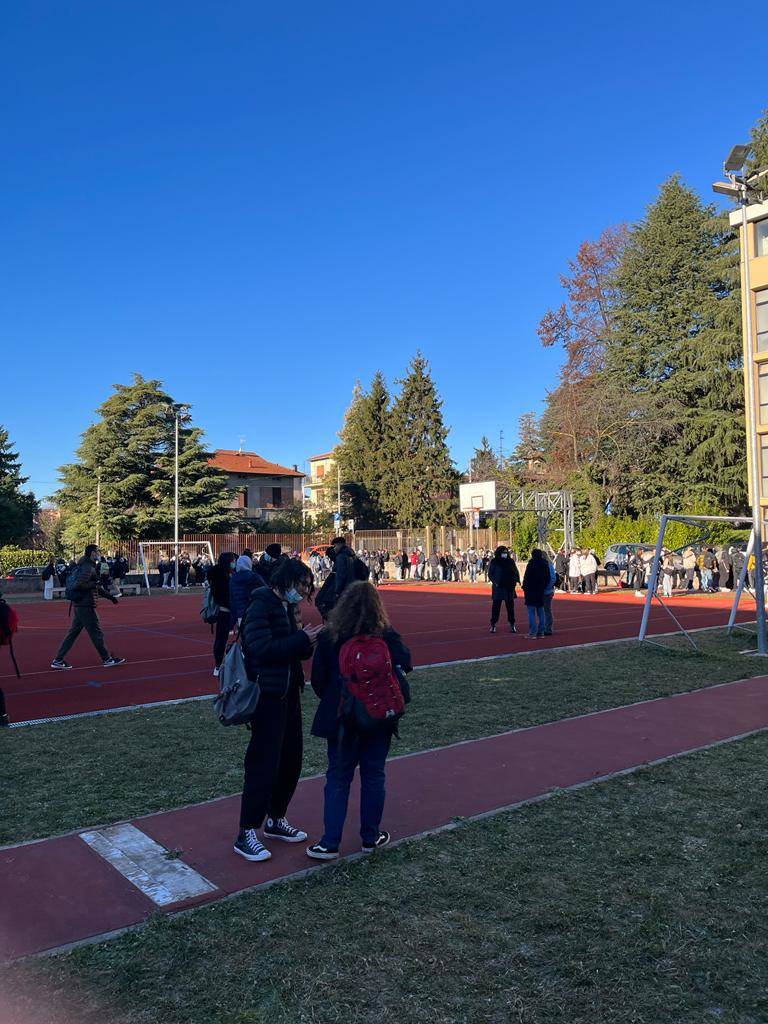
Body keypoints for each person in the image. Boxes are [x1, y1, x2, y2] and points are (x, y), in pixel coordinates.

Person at [306, 581, 412, 860]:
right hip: (379, 715)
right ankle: (370, 835)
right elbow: (406, 662)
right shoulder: (385, 634)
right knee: (374, 775)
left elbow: (317, 680)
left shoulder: (330, 636)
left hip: (343, 717)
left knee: (338, 778)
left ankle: (330, 842)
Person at [234, 558, 322, 862]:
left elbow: (287, 648)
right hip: (267, 695)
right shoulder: (262, 604)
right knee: (263, 763)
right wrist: (299, 639)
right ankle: (246, 832)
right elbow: (261, 649)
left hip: (288, 692)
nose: (305, 591)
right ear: (286, 580)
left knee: (291, 759)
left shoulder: (286, 607)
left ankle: (275, 818)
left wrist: (306, 642)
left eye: (308, 586)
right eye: (301, 585)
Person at [51, 544, 125, 669]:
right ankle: (107, 658)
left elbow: (94, 586)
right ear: (92, 553)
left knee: (73, 633)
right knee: (96, 633)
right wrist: (95, 583)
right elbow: (80, 585)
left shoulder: (86, 566)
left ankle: (58, 660)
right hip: (86, 604)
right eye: (97, 551)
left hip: (80, 604)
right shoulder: (87, 567)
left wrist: (109, 596)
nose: (98, 553)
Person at [208, 551, 237, 676]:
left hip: (224, 610)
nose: (234, 563)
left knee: (221, 639)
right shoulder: (224, 577)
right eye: (233, 561)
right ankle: (220, 664)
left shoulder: (220, 575)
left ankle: (219, 664)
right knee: (222, 639)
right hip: (226, 610)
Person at [487, 545, 520, 633]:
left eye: (506, 552)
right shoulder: (494, 561)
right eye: (503, 553)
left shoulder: (510, 561)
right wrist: (495, 582)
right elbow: (490, 574)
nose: (504, 554)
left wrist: (516, 580)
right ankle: (493, 624)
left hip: (509, 588)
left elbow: (516, 572)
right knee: (496, 607)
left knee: (510, 608)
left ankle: (512, 624)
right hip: (498, 588)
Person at [229, 554, 267, 628]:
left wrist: (232, 620)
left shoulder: (232, 579)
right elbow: (266, 590)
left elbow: (232, 600)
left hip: (240, 615)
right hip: (255, 612)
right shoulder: (255, 576)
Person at [522, 548, 550, 639]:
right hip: (540, 590)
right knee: (541, 612)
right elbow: (548, 577)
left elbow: (526, 578)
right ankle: (541, 632)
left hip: (530, 591)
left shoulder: (531, 564)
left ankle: (533, 632)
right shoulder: (545, 564)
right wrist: (543, 586)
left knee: (531, 612)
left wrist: (525, 588)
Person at [331, 536, 357, 601]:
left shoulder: (341, 556)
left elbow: (341, 574)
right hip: (354, 585)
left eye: (335, 546)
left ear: (339, 545)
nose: (334, 549)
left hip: (345, 588)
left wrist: (337, 591)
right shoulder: (352, 554)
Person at [542, 553, 556, 636]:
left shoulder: (548, 565)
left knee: (546, 610)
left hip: (547, 591)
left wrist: (546, 587)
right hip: (547, 590)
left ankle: (548, 628)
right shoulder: (549, 564)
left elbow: (552, 578)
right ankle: (545, 627)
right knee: (544, 610)